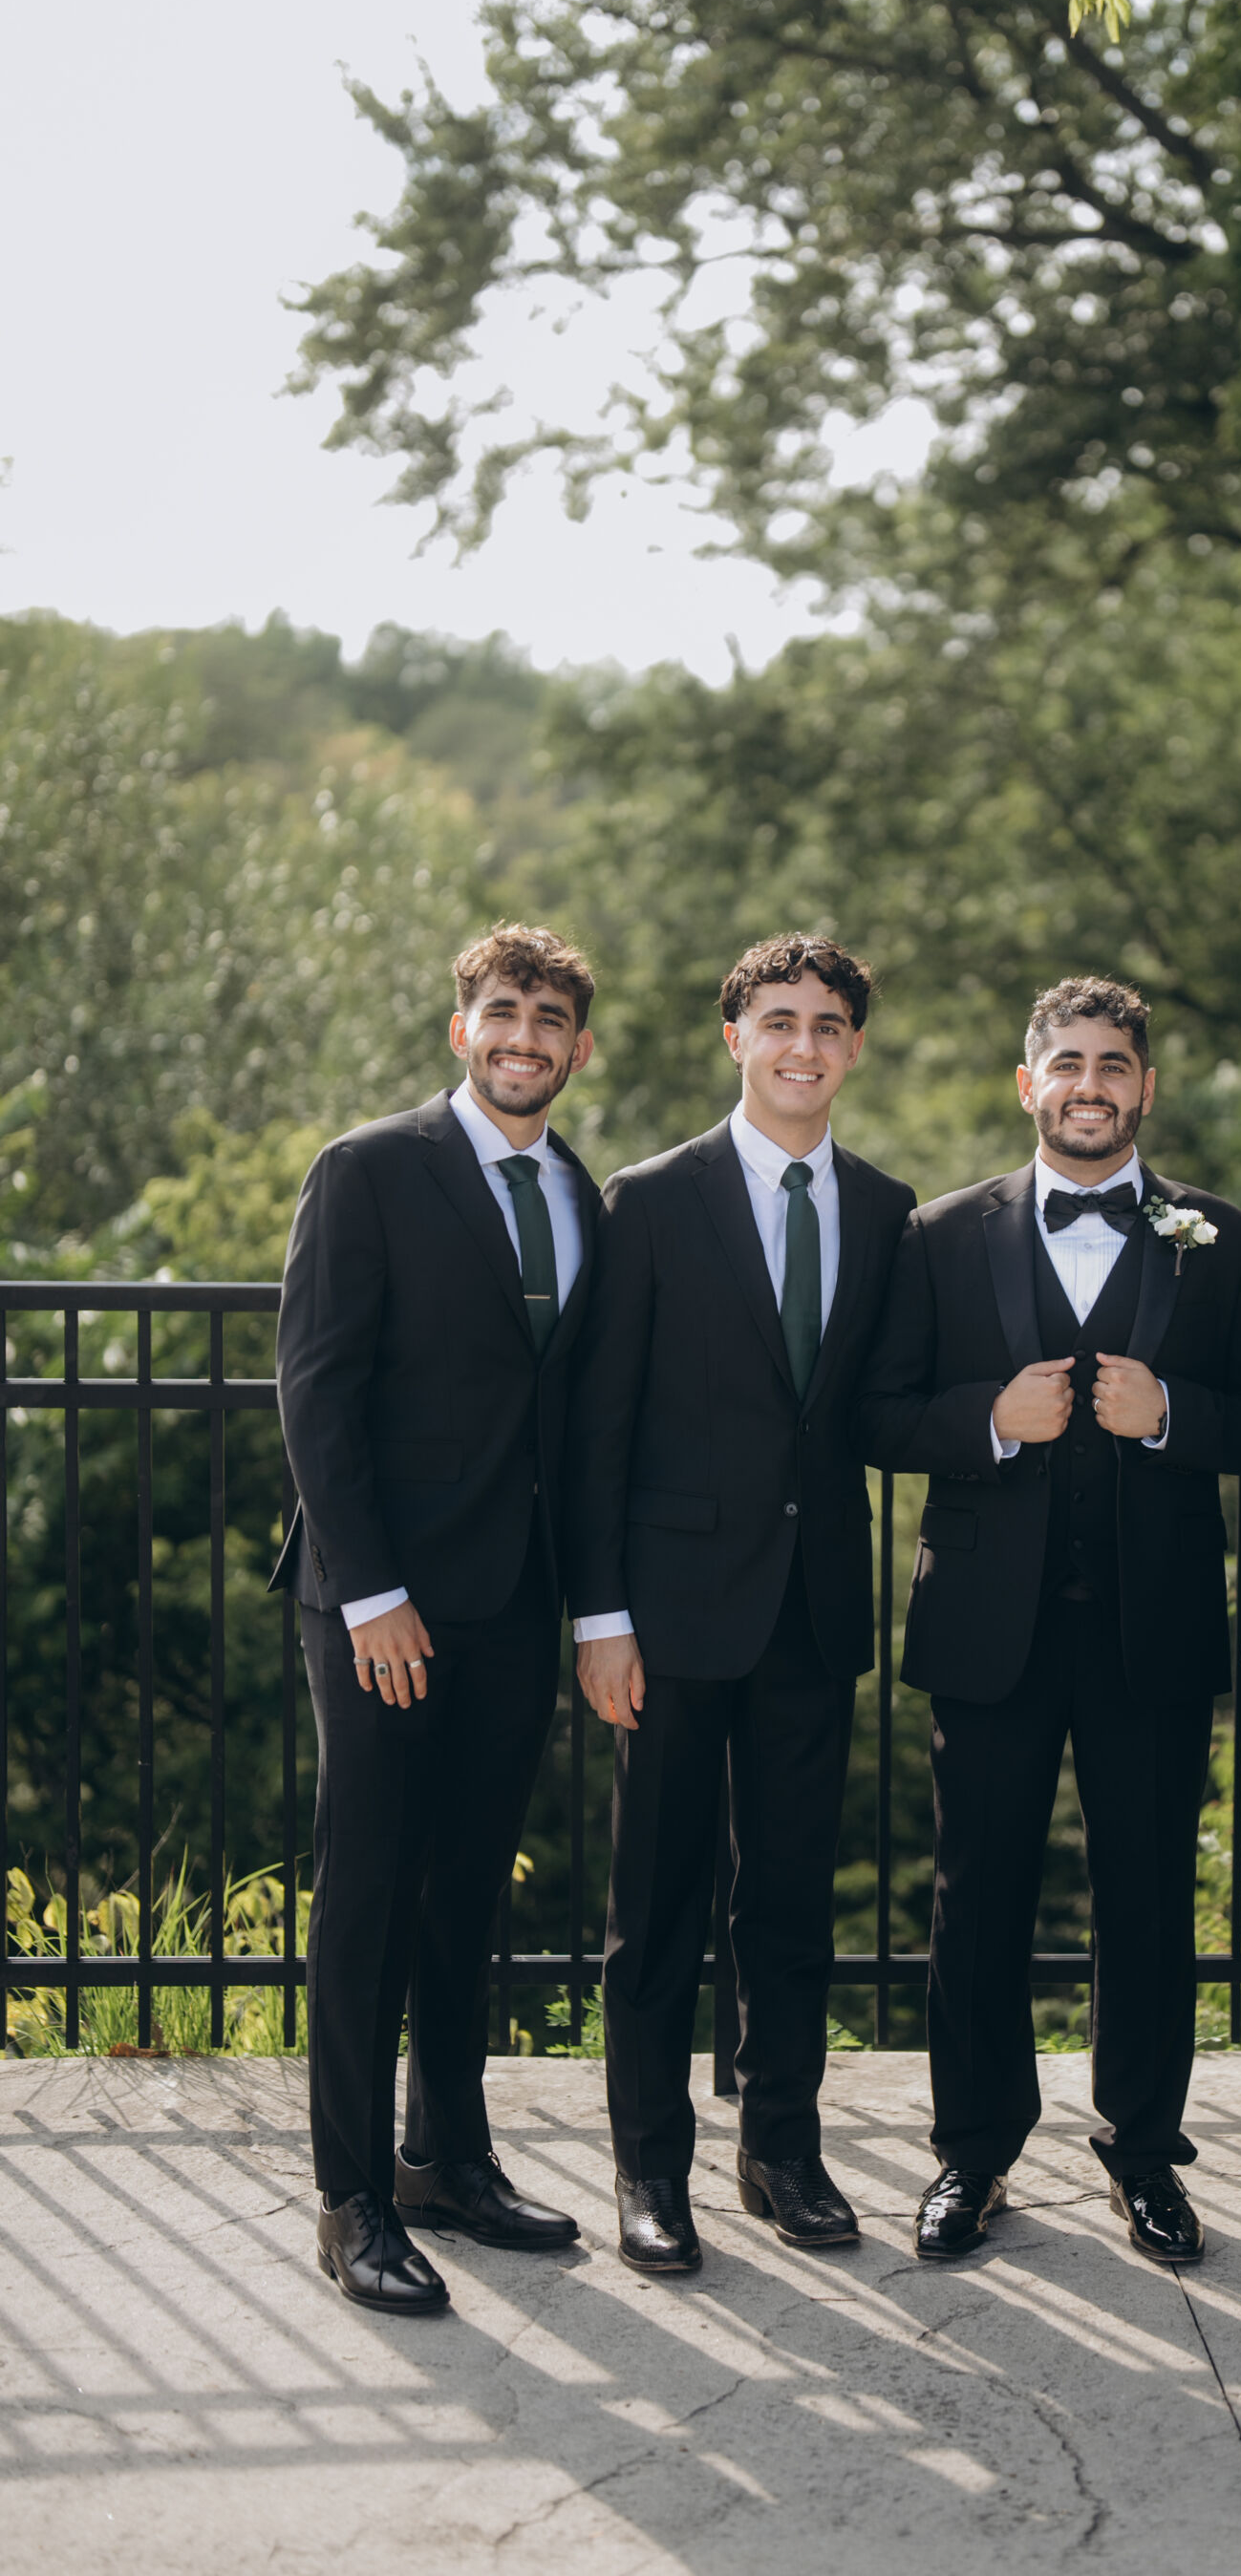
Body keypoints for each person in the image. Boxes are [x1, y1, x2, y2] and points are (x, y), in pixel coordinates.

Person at [857, 976, 1241, 2267]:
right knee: (976, 1894)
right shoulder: (937, 1235)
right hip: (989, 1625)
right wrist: (990, 1420)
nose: (1089, 1085)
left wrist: (1172, 1417)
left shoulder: (1223, 1240)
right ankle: (973, 2154)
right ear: (1028, 1083)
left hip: (1154, 1624)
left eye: (1113, 1065)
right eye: (1067, 1064)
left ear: (1144, 1087)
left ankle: (1145, 2156)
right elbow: (877, 1414)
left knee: (1147, 1896)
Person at [567, 933, 915, 2273]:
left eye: (827, 1025)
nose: (802, 1046)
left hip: (812, 1612)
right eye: (779, 1022)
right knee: (655, 1908)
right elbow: (599, 1426)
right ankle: (650, 2172)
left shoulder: (886, 1209)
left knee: (788, 1904)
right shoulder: (652, 1200)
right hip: (667, 1616)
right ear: (736, 1039)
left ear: (854, 1049)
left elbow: (875, 1408)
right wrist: (601, 1616)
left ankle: (781, 2152)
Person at [273, 924, 600, 2313]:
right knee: (368, 1894)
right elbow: (316, 1390)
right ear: (462, 1029)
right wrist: (373, 1594)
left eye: (551, 1021)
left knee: (467, 1890)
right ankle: (350, 2198)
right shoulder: (368, 1168)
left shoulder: (580, 1192)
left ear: (579, 1049)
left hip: (517, 1600)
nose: (526, 1038)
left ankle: (445, 2159)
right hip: (384, 1606)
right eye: (504, 1013)